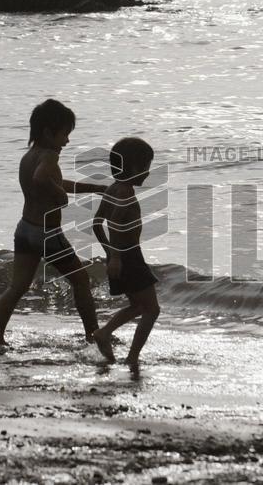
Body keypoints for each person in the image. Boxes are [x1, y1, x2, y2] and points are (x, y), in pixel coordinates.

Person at [0, 99, 108, 347]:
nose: (66, 141)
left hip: (25, 230)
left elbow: (51, 180)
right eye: (64, 134)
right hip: (47, 234)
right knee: (81, 280)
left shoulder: (29, 156)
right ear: (47, 132)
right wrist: (59, 195)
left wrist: (94, 189)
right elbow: (43, 179)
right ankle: (93, 335)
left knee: (17, 287)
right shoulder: (50, 156)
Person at [89, 137, 159, 365]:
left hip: (122, 255)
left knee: (139, 305)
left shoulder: (112, 189)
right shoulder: (126, 192)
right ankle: (131, 356)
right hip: (130, 256)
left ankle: (105, 333)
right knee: (152, 309)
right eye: (147, 168)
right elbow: (118, 223)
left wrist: (109, 252)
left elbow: (97, 223)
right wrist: (117, 256)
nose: (148, 174)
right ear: (136, 168)